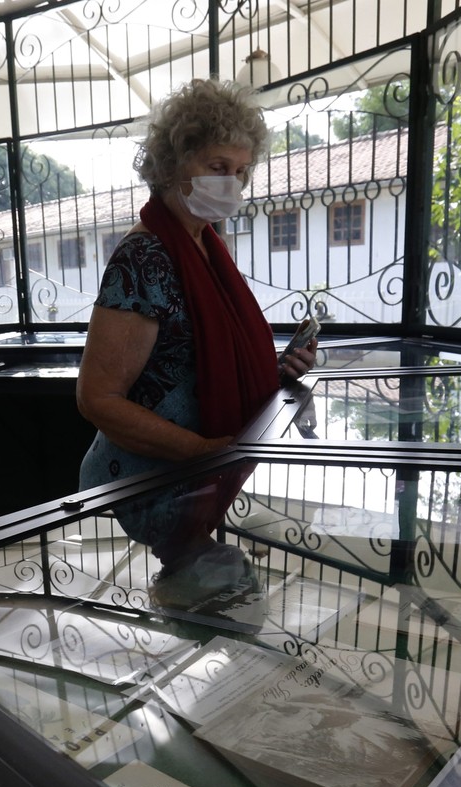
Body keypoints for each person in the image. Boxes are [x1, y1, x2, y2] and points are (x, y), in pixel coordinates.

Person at [75, 79, 316, 606]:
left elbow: (195, 361)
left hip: (197, 476)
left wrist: (274, 369)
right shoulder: (146, 259)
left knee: (229, 617)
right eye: (217, 166)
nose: (231, 182)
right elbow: (97, 399)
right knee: (223, 615)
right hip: (150, 485)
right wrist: (206, 453)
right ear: (173, 164)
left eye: (240, 171)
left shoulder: (207, 246)